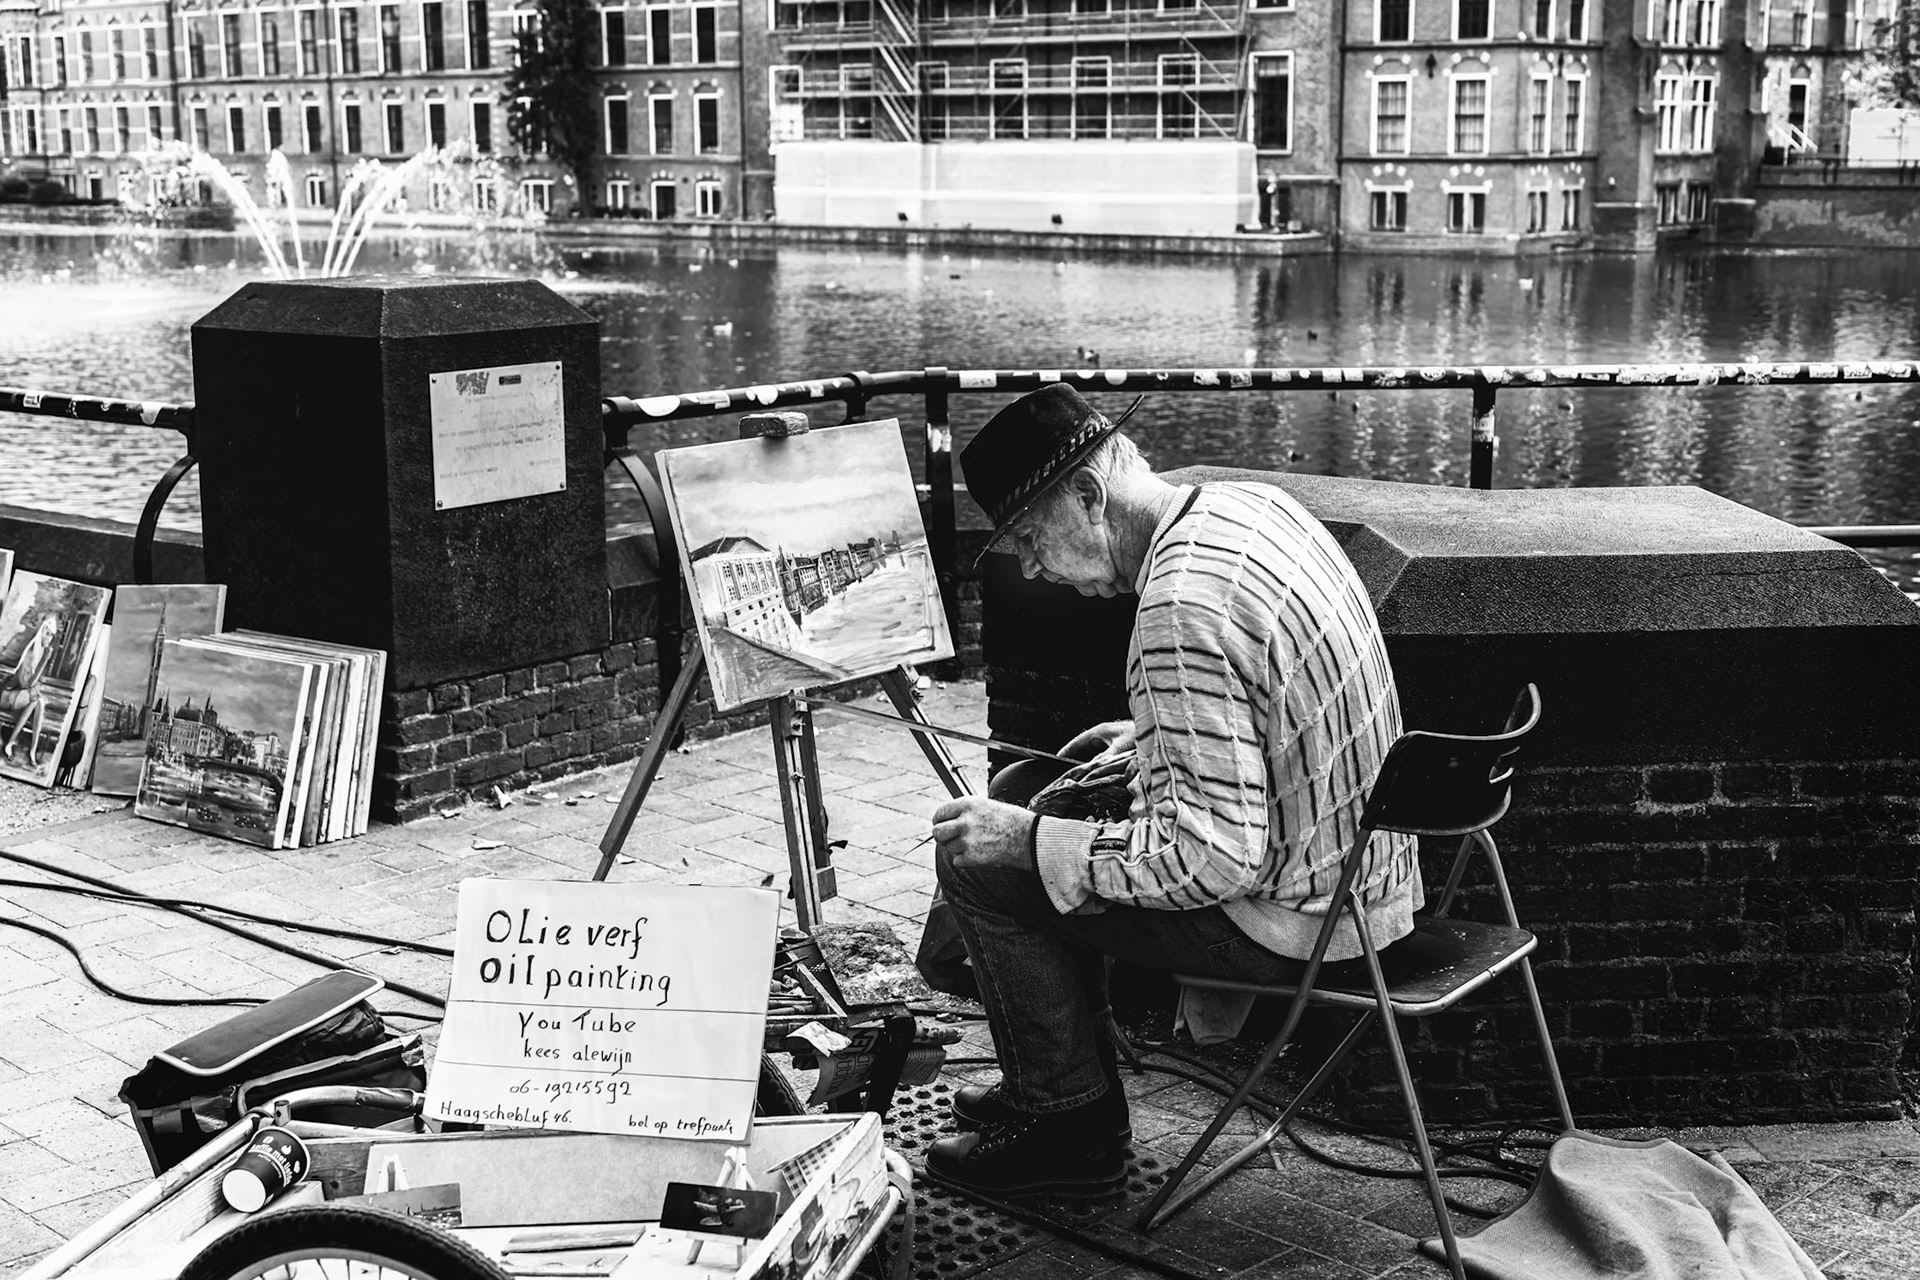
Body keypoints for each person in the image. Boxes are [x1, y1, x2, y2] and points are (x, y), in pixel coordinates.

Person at [922, 383, 1424, 1200]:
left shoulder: (1177, 608)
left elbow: (1209, 861)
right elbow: (1269, 703)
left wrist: (1027, 842)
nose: (1030, 567)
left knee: (984, 863)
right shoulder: (1254, 507)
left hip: (1300, 924)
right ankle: (1052, 1086)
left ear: (1088, 495)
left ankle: (1069, 1131)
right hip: (1373, 881)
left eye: (1026, 535)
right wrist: (1150, 739)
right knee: (1052, 801)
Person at [1, 614, 61, 768]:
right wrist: (44, 661)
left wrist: (45, 660)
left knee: (38, 702)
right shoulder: (30, 654)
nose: (48, 638)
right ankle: (17, 744)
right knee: (37, 701)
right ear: (42, 632)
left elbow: (36, 685)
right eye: (47, 634)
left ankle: (29, 748)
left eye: (51, 636)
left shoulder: (41, 652)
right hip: (8, 696)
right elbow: (29, 684)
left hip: (22, 697)